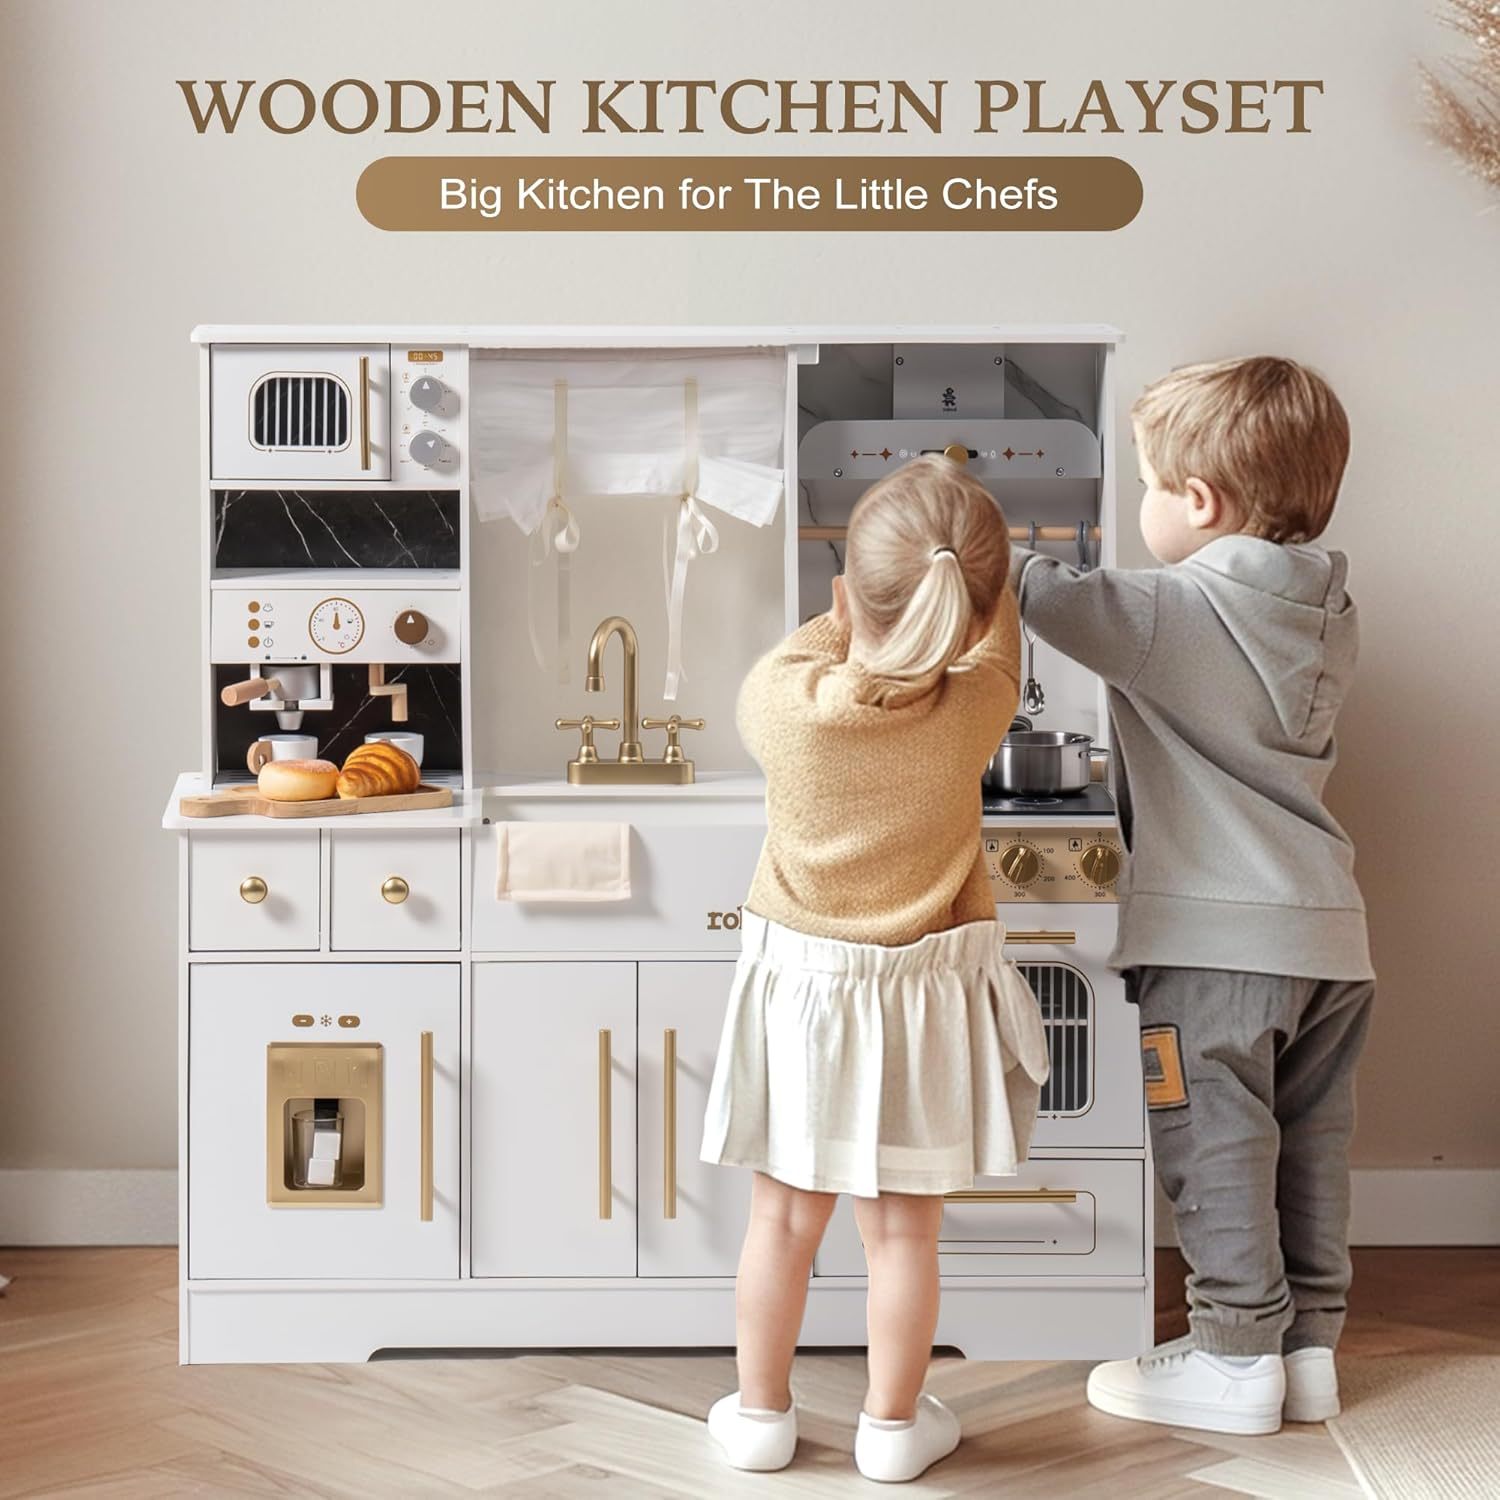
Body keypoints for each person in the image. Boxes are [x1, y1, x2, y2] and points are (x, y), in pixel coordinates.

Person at [1013, 356, 1374, 1435]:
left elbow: (1034, 591)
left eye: (1148, 483)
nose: (1144, 503)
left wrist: (950, 514)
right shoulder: (1329, 613)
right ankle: (1305, 1350)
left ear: (1202, 502)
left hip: (1217, 945)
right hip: (1329, 940)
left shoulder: (1171, 610)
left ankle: (1231, 1357)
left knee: (1214, 1144)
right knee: (1309, 1150)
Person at [700, 454, 1048, 1481]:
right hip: (921, 999)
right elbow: (997, 636)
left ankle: (761, 1419)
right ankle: (892, 1431)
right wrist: (975, 561)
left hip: (804, 994)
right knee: (902, 1238)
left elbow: (825, 639)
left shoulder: (780, 704)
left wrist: (861, 598)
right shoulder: (977, 707)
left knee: (782, 1223)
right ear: (975, 606)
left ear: (846, 593)